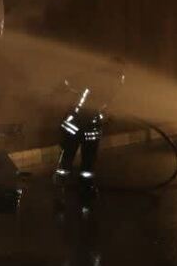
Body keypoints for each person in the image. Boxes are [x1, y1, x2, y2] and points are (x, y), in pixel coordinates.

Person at [53, 64, 125, 193]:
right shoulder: (102, 88)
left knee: (75, 156)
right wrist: (104, 116)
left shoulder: (96, 84)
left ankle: (65, 184)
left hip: (79, 127)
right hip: (80, 126)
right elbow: (89, 108)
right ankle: (78, 185)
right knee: (80, 157)